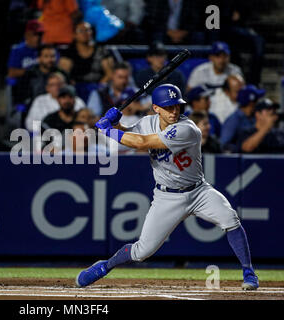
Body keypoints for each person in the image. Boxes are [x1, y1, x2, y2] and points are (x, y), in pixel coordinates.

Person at [77, 83, 259, 290]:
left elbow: (142, 143)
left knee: (231, 219)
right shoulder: (147, 122)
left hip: (199, 191)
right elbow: (131, 135)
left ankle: (249, 272)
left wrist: (108, 131)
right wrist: (116, 125)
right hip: (167, 196)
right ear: (156, 108)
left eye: (177, 106)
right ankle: (105, 266)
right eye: (168, 107)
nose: (174, 111)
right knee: (141, 252)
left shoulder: (188, 129)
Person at [12, 44, 68, 109]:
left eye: (52, 56)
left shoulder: (62, 74)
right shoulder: (29, 75)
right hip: (35, 109)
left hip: (57, 109)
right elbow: (20, 96)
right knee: (35, 119)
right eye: (46, 56)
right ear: (39, 58)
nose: (50, 59)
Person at [220, 84, 265, 153]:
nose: (258, 102)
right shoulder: (233, 120)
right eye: (256, 100)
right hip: (238, 160)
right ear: (251, 103)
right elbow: (223, 144)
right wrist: (240, 147)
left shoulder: (254, 118)